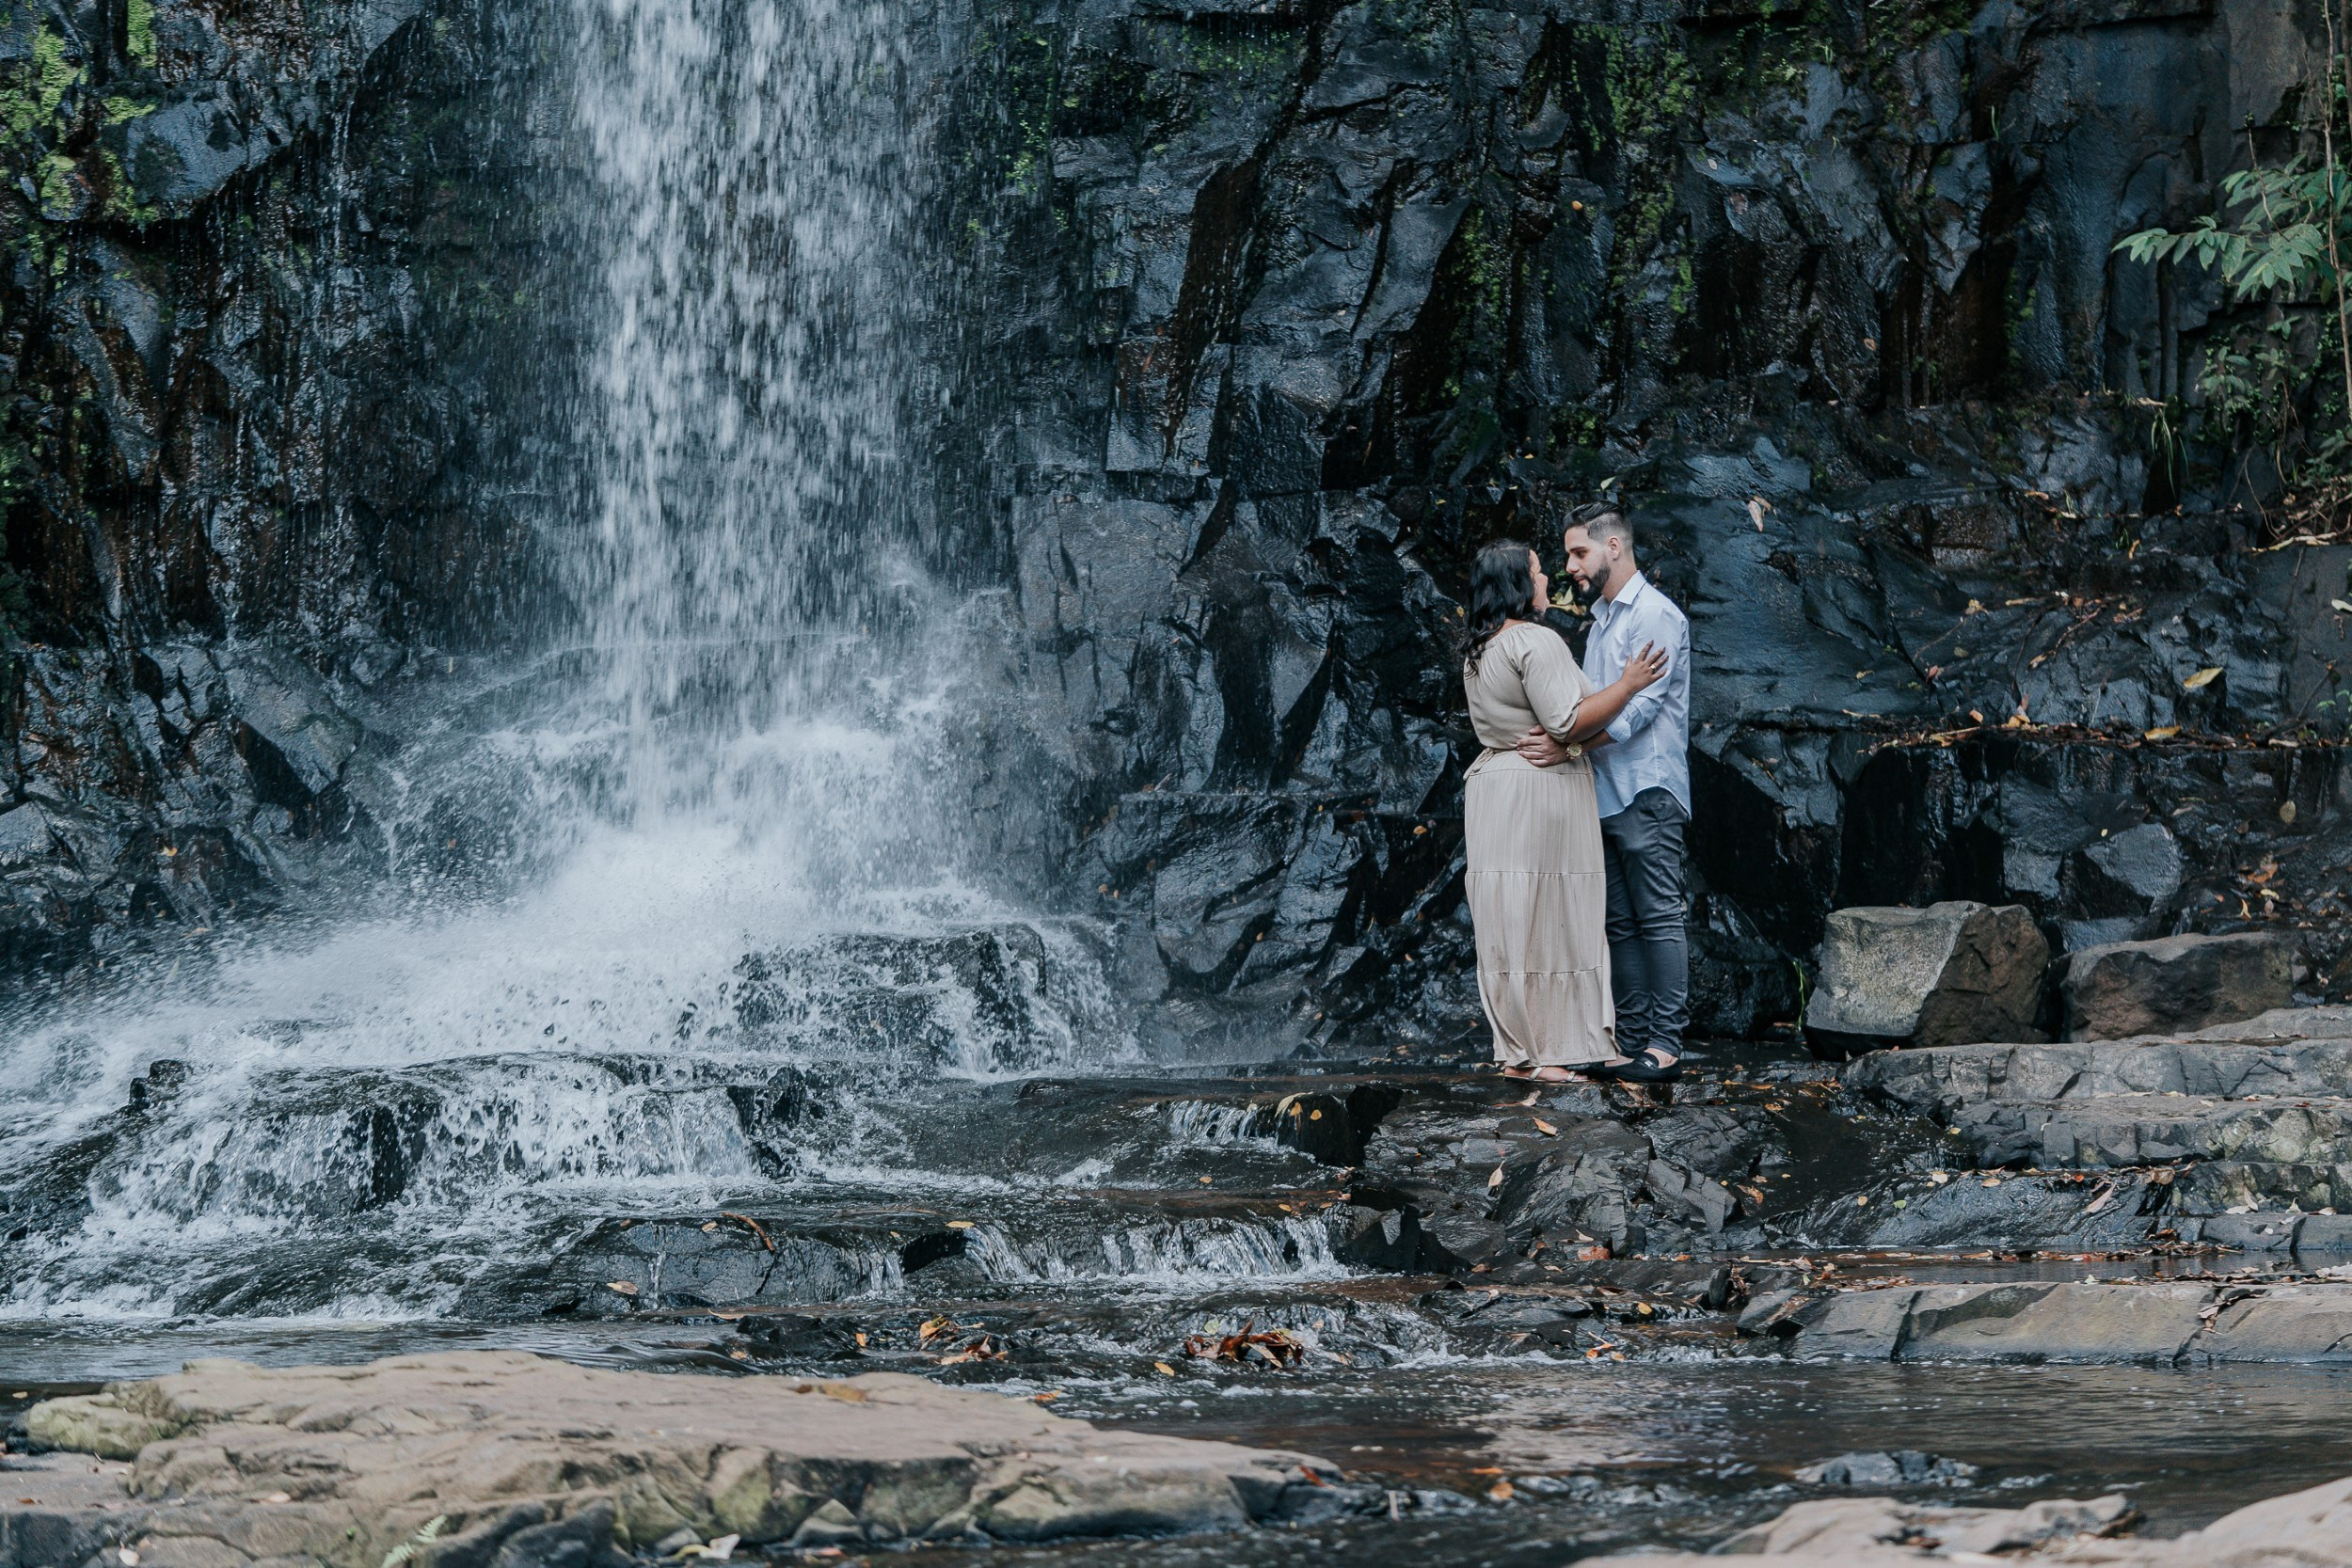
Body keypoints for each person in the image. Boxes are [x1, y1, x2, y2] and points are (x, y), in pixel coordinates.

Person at [1460, 541, 1667, 1083]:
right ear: (1516, 585)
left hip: (1495, 787)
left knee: (1511, 919)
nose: (1547, 577)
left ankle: (1522, 1054)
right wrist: (1628, 684)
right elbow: (1566, 722)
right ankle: (1547, 1057)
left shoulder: (1479, 648)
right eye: (1535, 571)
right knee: (1551, 917)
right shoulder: (1534, 639)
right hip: (1538, 790)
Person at [1517, 507, 1692, 1084]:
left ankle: (1665, 1045)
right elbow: (1588, 705)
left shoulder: (1656, 617)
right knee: (1620, 923)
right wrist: (1571, 741)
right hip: (1603, 794)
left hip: (1647, 789)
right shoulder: (1599, 623)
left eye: (1578, 553)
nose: (1571, 567)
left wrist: (1567, 748)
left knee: (1659, 917)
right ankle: (1632, 1042)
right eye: (1567, 556)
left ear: (1613, 546)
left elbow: (1636, 713)